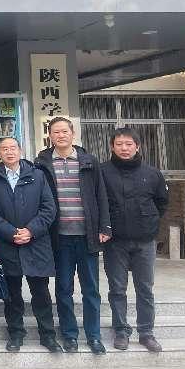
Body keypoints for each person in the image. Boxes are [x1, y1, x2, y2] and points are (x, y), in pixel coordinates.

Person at [34, 117, 111, 355]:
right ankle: (69, 335)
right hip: (60, 237)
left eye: (64, 131)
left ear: (72, 133)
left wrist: (105, 227)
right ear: (50, 136)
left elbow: (101, 195)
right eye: (56, 132)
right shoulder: (42, 163)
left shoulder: (89, 161)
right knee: (63, 289)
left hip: (87, 235)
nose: (61, 135)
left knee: (91, 289)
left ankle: (94, 336)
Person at [0, 137, 62, 353]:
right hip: (8, 244)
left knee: (41, 293)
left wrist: (31, 231)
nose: (9, 152)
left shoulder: (37, 175)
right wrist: (11, 232)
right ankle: (16, 334)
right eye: (5, 149)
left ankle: (48, 335)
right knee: (12, 295)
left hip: (36, 243)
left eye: (13, 148)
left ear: (20, 150)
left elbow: (49, 208)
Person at [101, 126, 169, 353]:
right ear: (112, 147)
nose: (124, 148)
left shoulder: (152, 173)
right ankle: (121, 331)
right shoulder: (103, 172)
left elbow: (162, 203)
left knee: (145, 289)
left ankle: (146, 332)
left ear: (137, 147)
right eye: (119, 144)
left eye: (129, 144)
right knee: (117, 289)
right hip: (115, 241)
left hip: (144, 241)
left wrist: (148, 224)